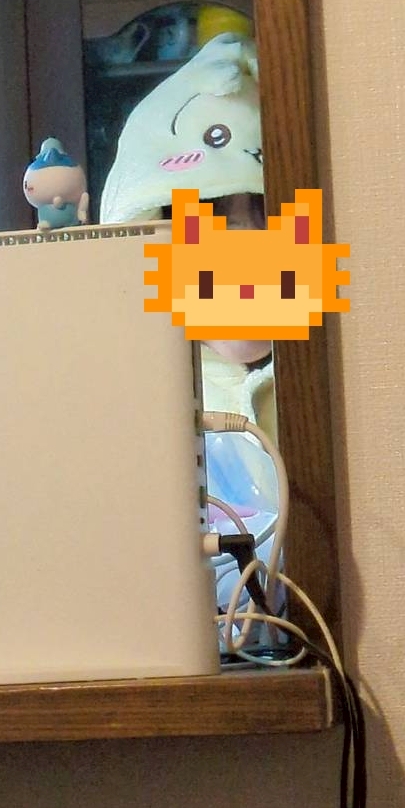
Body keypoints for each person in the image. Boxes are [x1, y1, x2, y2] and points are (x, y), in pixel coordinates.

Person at [99, 31, 277, 511]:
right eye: (211, 219)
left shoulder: (345, 385)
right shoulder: (128, 404)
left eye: (266, 213)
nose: (246, 243)